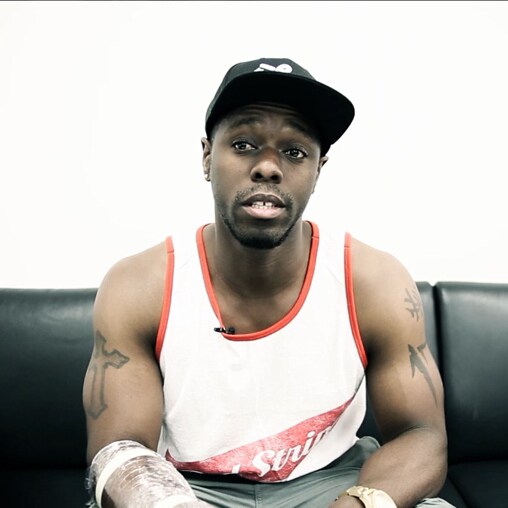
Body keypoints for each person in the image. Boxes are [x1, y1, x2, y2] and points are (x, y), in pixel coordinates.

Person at [82, 57, 453, 508]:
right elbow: (119, 451)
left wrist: (357, 505)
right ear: (206, 157)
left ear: (318, 170)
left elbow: (421, 435)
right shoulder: (138, 286)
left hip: (335, 485)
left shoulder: (375, 282)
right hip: (187, 489)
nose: (268, 167)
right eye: (243, 144)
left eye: (294, 152)